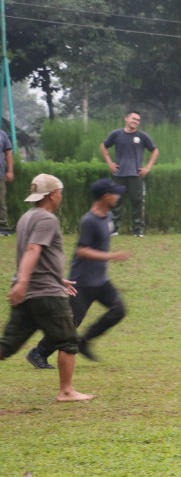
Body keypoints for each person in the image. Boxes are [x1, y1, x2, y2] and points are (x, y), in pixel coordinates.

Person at [0, 174, 91, 401]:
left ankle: (67, 390)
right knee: (69, 340)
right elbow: (32, 250)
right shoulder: (47, 219)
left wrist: (56, 279)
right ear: (52, 194)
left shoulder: (26, 218)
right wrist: (24, 282)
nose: (60, 196)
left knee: (7, 345)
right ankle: (67, 391)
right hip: (45, 294)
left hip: (30, 291)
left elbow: (36, 257)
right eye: (60, 192)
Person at [26, 179, 130, 367]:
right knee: (71, 323)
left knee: (119, 310)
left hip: (100, 280)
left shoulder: (107, 217)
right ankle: (38, 353)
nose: (118, 196)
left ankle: (84, 341)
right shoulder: (89, 220)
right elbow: (81, 250)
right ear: (106, 196)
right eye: (115, 193)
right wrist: (111, 256)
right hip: (82, 281)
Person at [100, 110, 159, 236]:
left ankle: (137, 230)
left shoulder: (142, 136)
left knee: (137, 202)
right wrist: (110, 163)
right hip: (118, 175)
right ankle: (114, 229)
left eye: (138, 120)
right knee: (115, 202)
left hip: (136, 175)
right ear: (126, 119)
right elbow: (103, 146)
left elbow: (155, 150)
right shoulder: (116, 134)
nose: (135, 121)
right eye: (133, 118)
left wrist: (147, 167)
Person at [0, 124, 14, 236]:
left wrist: (10, 171)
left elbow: (8, 154)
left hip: (0, 174)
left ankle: (3, 228)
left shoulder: (2, 134)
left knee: (1, 201)